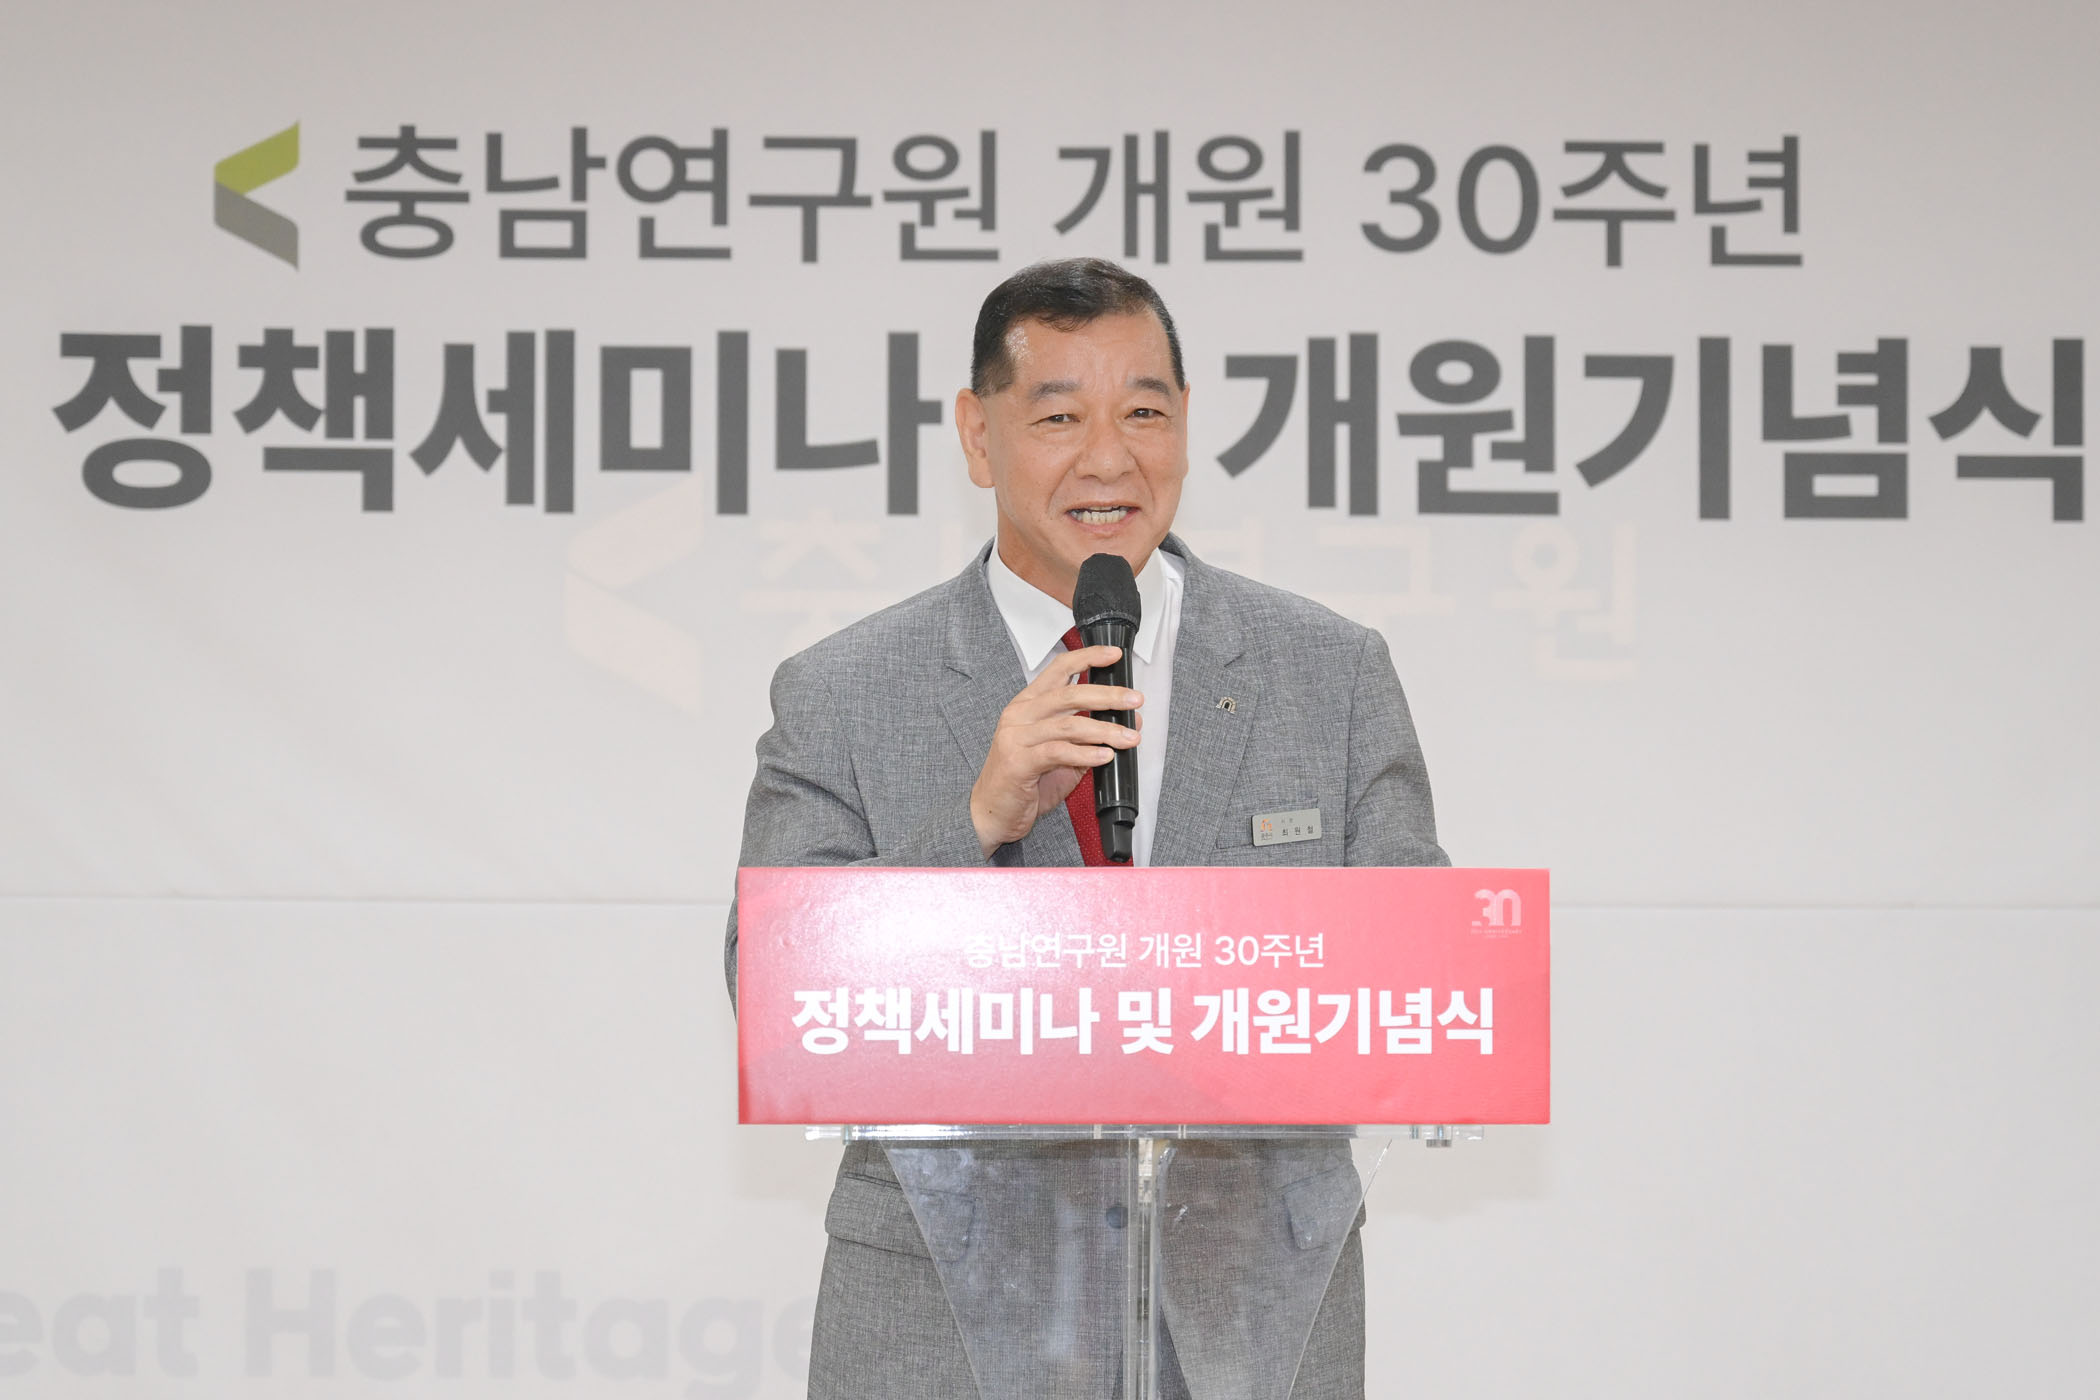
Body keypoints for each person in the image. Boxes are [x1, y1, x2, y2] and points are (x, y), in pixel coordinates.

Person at [726, 258, 1447, 1400]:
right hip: (947, 1329)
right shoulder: (847, 689)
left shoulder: (1331, 673)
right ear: (978, 435)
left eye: (1144, 414)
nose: (1109, 458)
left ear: (1187, 423)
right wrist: (978, 817)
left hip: (1246, 1324)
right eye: (1060, 417)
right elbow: (774, 996)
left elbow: (1424, 980)